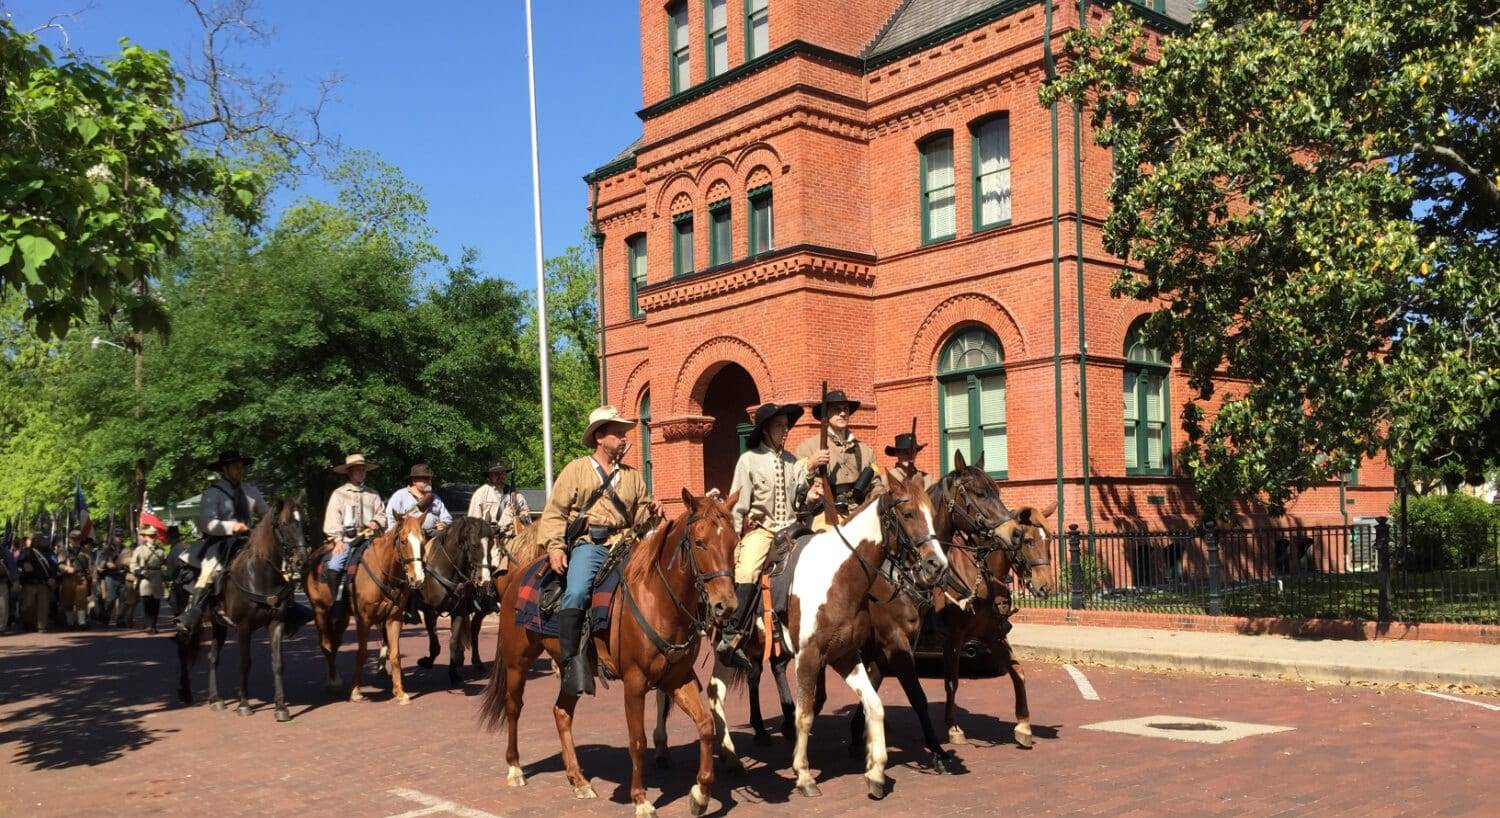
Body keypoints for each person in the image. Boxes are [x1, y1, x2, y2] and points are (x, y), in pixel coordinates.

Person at [539, 406, 658, 696]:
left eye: (623, 433)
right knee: (577, 592)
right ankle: (572, 664)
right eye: (617, 433)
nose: (623, 438)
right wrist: (555, 547)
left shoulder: (632, 476)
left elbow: (641, 515)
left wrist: (652, 511)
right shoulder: (576, 470)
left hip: (627, 544)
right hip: (590, 546)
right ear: (600, 437)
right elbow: (554, 512)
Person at [718, 402, 808, 670]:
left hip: (793, 528)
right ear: (766, 430)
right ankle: (732, 636)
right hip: (764, 531)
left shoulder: (793, 462)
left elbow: (799, 500)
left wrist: (809, 491)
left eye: (786, 425)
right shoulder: (748, 460)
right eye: (780, 425)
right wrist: (734, 542)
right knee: (746, 569)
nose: (786, 430)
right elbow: (738, 507)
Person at [178, 450, 269, 635]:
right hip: (221, 543)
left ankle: (287, 609)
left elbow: (266, 515)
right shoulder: (212, 493)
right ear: (225, 470)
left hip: (249, 542)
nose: (240, 470)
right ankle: (192, 614)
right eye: (235, 467)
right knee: (207, 573)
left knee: (277, 565)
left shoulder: (251, 491)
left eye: (241, 466)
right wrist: (231, 526)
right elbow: (206, 523)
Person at [795, 388, 883, 520]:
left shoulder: (865, 450)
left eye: (845, 409)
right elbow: (797, 487)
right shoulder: (808, 448)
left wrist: (877, 497)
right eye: (836, 409)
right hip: (824, 513)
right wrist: (811, 465)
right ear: (826, 415)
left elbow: (876, 484)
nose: (842, 413)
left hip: (860, 513)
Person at [322, 453, 387, 620]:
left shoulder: (373, 494)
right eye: (358, 470)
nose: (361, 473)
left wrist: (376, 521)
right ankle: (337, 602)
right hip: (347, 540)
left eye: (363, 470)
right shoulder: (338, 494)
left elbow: (382, 515)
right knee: (334, 565)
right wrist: (337, 540)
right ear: (349, 472)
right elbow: (332, 520)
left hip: (370, 539)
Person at [468, 460, 530, 584]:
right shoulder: (481, 494)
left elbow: (527, 517)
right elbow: (473, 522)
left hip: (514, 538)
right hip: (491, 538)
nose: (500, 476)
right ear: (490, 476)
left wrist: (520, 515)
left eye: (502, 473)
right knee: (492, 563)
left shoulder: (517, 496)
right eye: (496, 473)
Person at [384, 464, 451, 535]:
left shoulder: (436, 498)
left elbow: (447, 518)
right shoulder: (400, 495)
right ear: (414, 480)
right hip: (408, 536)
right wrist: (394, 533)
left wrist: (443, 524)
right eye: (425, 479)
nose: (429, 481)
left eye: (430, 478)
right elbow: (391, 516)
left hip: (433, 536)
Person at [129, 525, 168, 633]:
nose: (153, 538)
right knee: (146, 603)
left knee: (156, 604)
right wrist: (139, 571)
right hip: (145, 578)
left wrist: (164, 573)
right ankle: (148, 625)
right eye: (150, 536)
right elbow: (132, 564)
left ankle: (153, 625)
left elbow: (165, 564)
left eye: (154, 535)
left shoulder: (160, 550)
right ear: (145, 537)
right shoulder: (139, 550)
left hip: (157, 577)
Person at [17, 533, 56, 633]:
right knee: (29, 606)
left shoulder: (49, 552)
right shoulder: (26, 552)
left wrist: (52, 577)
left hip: (44, 583)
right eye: (35, 539)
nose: (37, 541)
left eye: (39, 539)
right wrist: (23, 565)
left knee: (43, 606)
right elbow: (18, 563)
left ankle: (41, 626)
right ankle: (30, 622)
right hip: (29, 583)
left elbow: (54, 565)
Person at [884, 426, 931, 492]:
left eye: (912, 452)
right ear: (897, 453)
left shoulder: (927, 479)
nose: (909, 455)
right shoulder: (887, 480)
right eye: (904, 452)